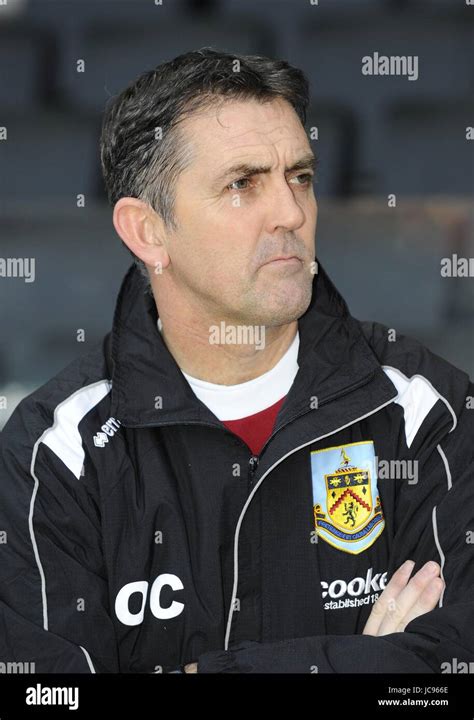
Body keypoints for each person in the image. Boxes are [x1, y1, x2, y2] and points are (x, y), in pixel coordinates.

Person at [0, 48, 473, 674]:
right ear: (148, 232)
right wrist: (367, 664)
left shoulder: (426, 411)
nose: (292, 213)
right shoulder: (54, 455)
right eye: (242, 185)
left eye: (299, 177)